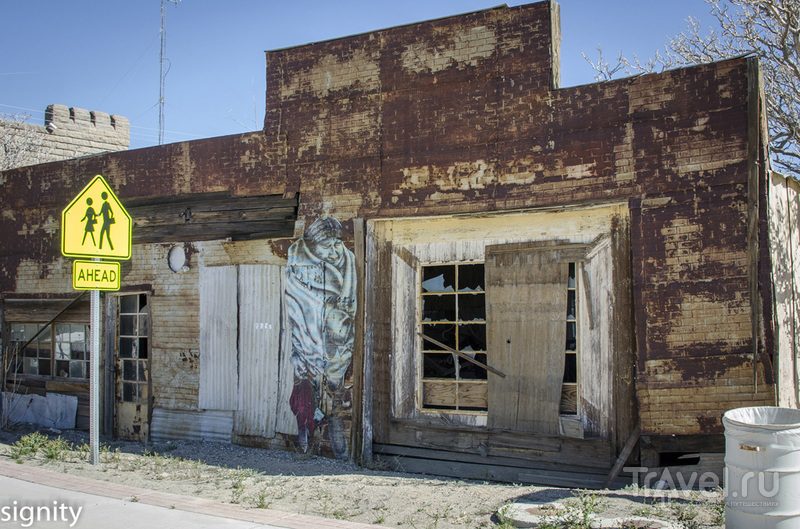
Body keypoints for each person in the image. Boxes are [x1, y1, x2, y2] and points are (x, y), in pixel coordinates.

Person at [285, 217, 356, 459]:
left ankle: (340, 452)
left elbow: (350, 305)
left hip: (338, 344)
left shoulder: (348, 260)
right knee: (306, 400)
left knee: (334, 403)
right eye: (328, 245)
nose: (335, 250)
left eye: (338, 243)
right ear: (314, 245)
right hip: (307, 345)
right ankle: (305, 445)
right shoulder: (297, 264)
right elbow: (296, 310)